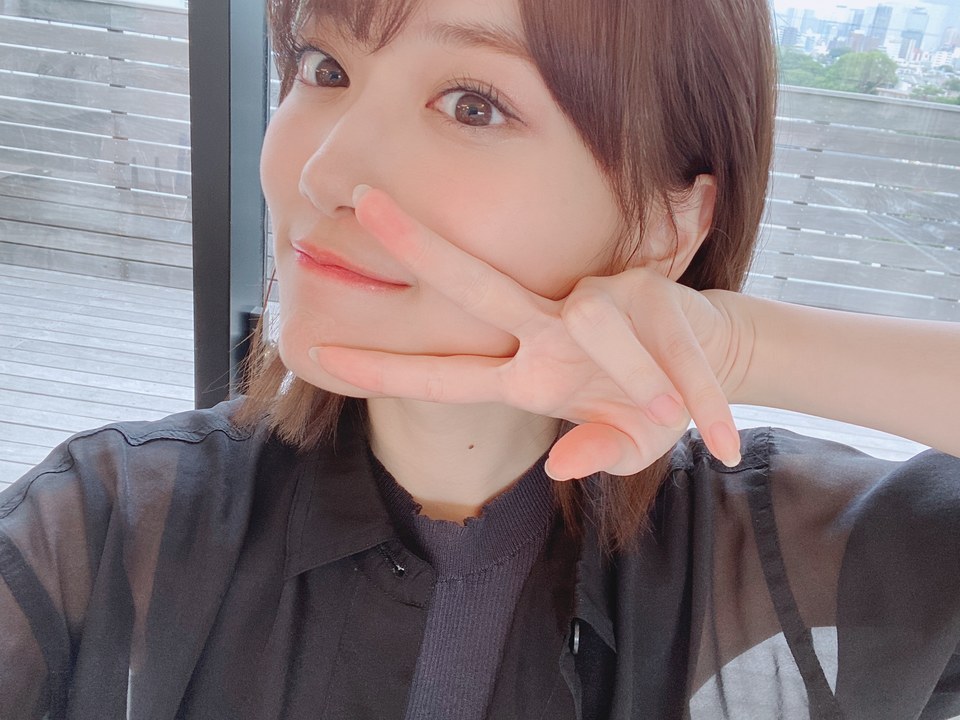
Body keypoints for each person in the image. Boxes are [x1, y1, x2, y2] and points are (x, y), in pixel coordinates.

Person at [1, 0, 958, 717]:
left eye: (472, 105)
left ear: (668, 223)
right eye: (325, 66)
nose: (322, 171)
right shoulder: (104, 526)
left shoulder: (797, 566)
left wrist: (744, 345)